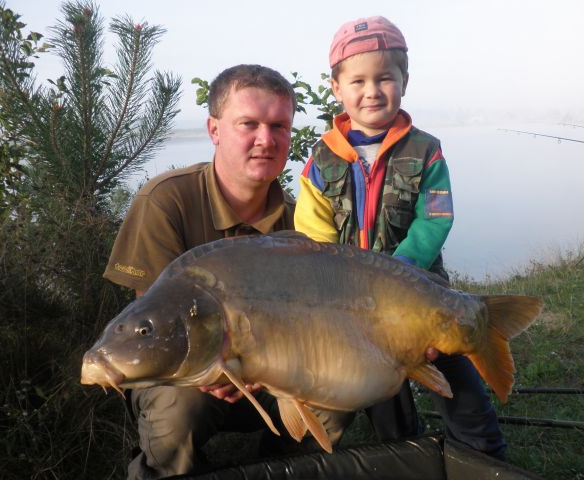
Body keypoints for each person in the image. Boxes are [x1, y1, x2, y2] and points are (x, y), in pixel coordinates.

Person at [103, 64, 348, 479]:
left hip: (272, 372)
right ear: (214, 130)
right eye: (248, 124)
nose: (265, 140)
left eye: (279, 126)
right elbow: (155, 324)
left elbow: (310, 328)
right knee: (180, 411)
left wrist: (257, 368)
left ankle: (283, 466)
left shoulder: (300, 223)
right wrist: (219, 367)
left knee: (335, 400)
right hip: (179, 373)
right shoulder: (166, 201)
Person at [294, 16, 507, 459]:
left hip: (425, 294)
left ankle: (483, 455)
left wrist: (401, 270)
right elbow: (312, 235)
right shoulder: (320, 159)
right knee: (383, 388)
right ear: (336, 88)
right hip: (353, 306)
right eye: (358, 80)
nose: (371, 91)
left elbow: (435, 218)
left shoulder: (426, 149)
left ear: (404, 82)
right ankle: (404, 452)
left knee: (462, 387)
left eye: (384, 78)